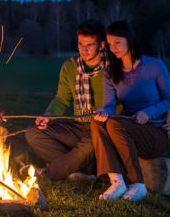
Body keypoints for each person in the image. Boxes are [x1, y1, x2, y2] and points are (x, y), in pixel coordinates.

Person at [91, 21, 170, 201]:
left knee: (115, 124)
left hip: (155, 133)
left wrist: (149, 113)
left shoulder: (155, 66)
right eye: (110, 44)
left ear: (129, 40)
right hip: (129, 133)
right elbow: (109, 106)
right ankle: (117, 182)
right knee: (97, 122)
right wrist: (103, 111)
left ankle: (138, 184)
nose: (113, 48)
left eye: (117, 42)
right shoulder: (110, 72)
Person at [24, 19, 110, 180]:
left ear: (101, 45)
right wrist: (48, 115)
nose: (83, 49)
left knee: (91, 143)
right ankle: (84, 169)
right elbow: (62, 99)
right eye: (80, 44)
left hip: (103, 128)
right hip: (79, 126)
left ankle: (50, 172)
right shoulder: (70, 66)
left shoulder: (113, 67)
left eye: (89, 45)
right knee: (33, 133)